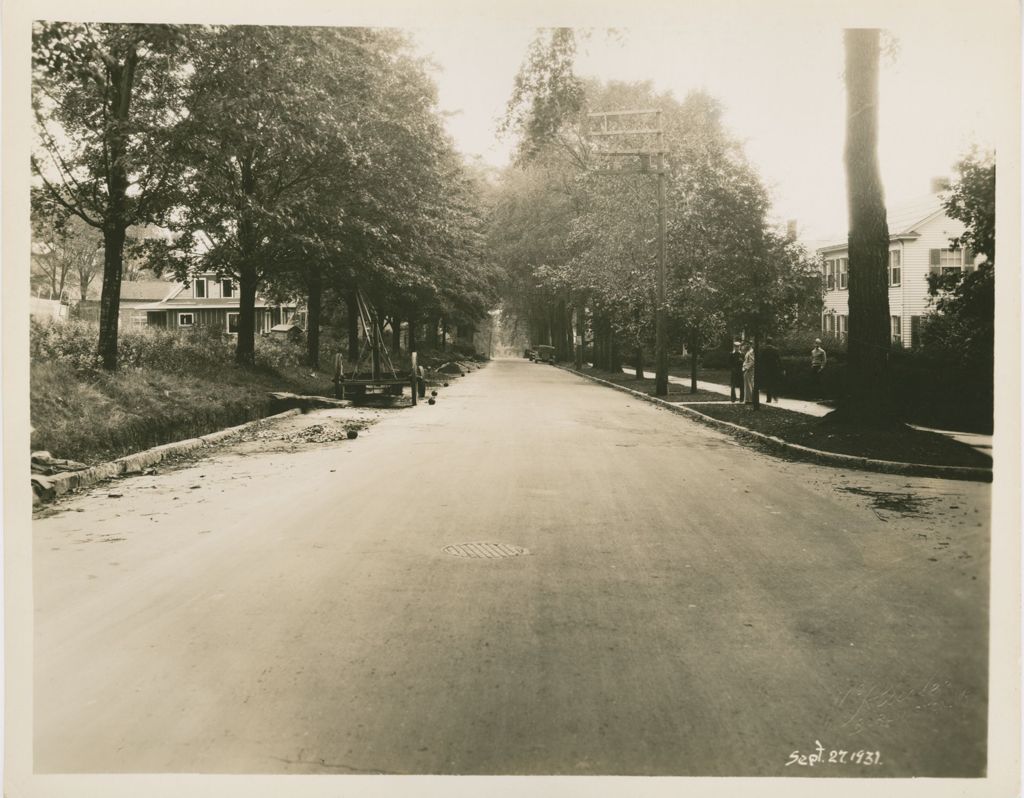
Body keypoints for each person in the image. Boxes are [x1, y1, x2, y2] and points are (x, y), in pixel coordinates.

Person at [760, 336, 783, 403]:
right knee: (774, 383)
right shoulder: (775, 350)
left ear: (766, 342)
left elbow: (761, 360)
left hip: (766, 369)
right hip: (774, 368)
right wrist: (781, 368)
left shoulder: (764, 350)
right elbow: (779, 360)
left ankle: (768, 398)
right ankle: (775, 396)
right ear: (771, 342)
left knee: (768, 383)